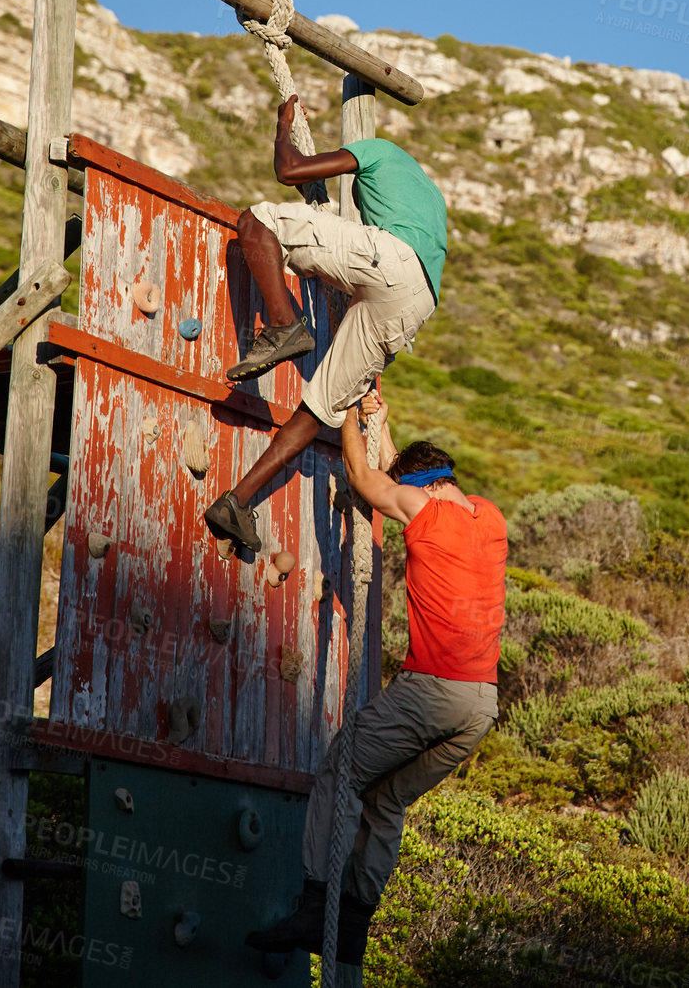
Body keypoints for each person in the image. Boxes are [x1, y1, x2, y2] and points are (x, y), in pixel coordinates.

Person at [246, 385, 506, 966]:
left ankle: (316, 905)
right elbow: (399, 481)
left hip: (433, 692)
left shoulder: (424, 508)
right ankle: (356, 923)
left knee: (341, 766)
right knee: (387, 799)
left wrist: (344, 420)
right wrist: (381, 424)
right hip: (481, 706)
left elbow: (368, 480)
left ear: (422, 489)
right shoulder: (489, 517)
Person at [204, 96, 447, 552]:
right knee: (321, 409)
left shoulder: (379, 151)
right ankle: (237, 502)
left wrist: (283, 126)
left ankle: (284, 325)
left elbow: (289, 171)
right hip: (416, 304)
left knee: (259, 220)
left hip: (390, 261)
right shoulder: (429, 197)